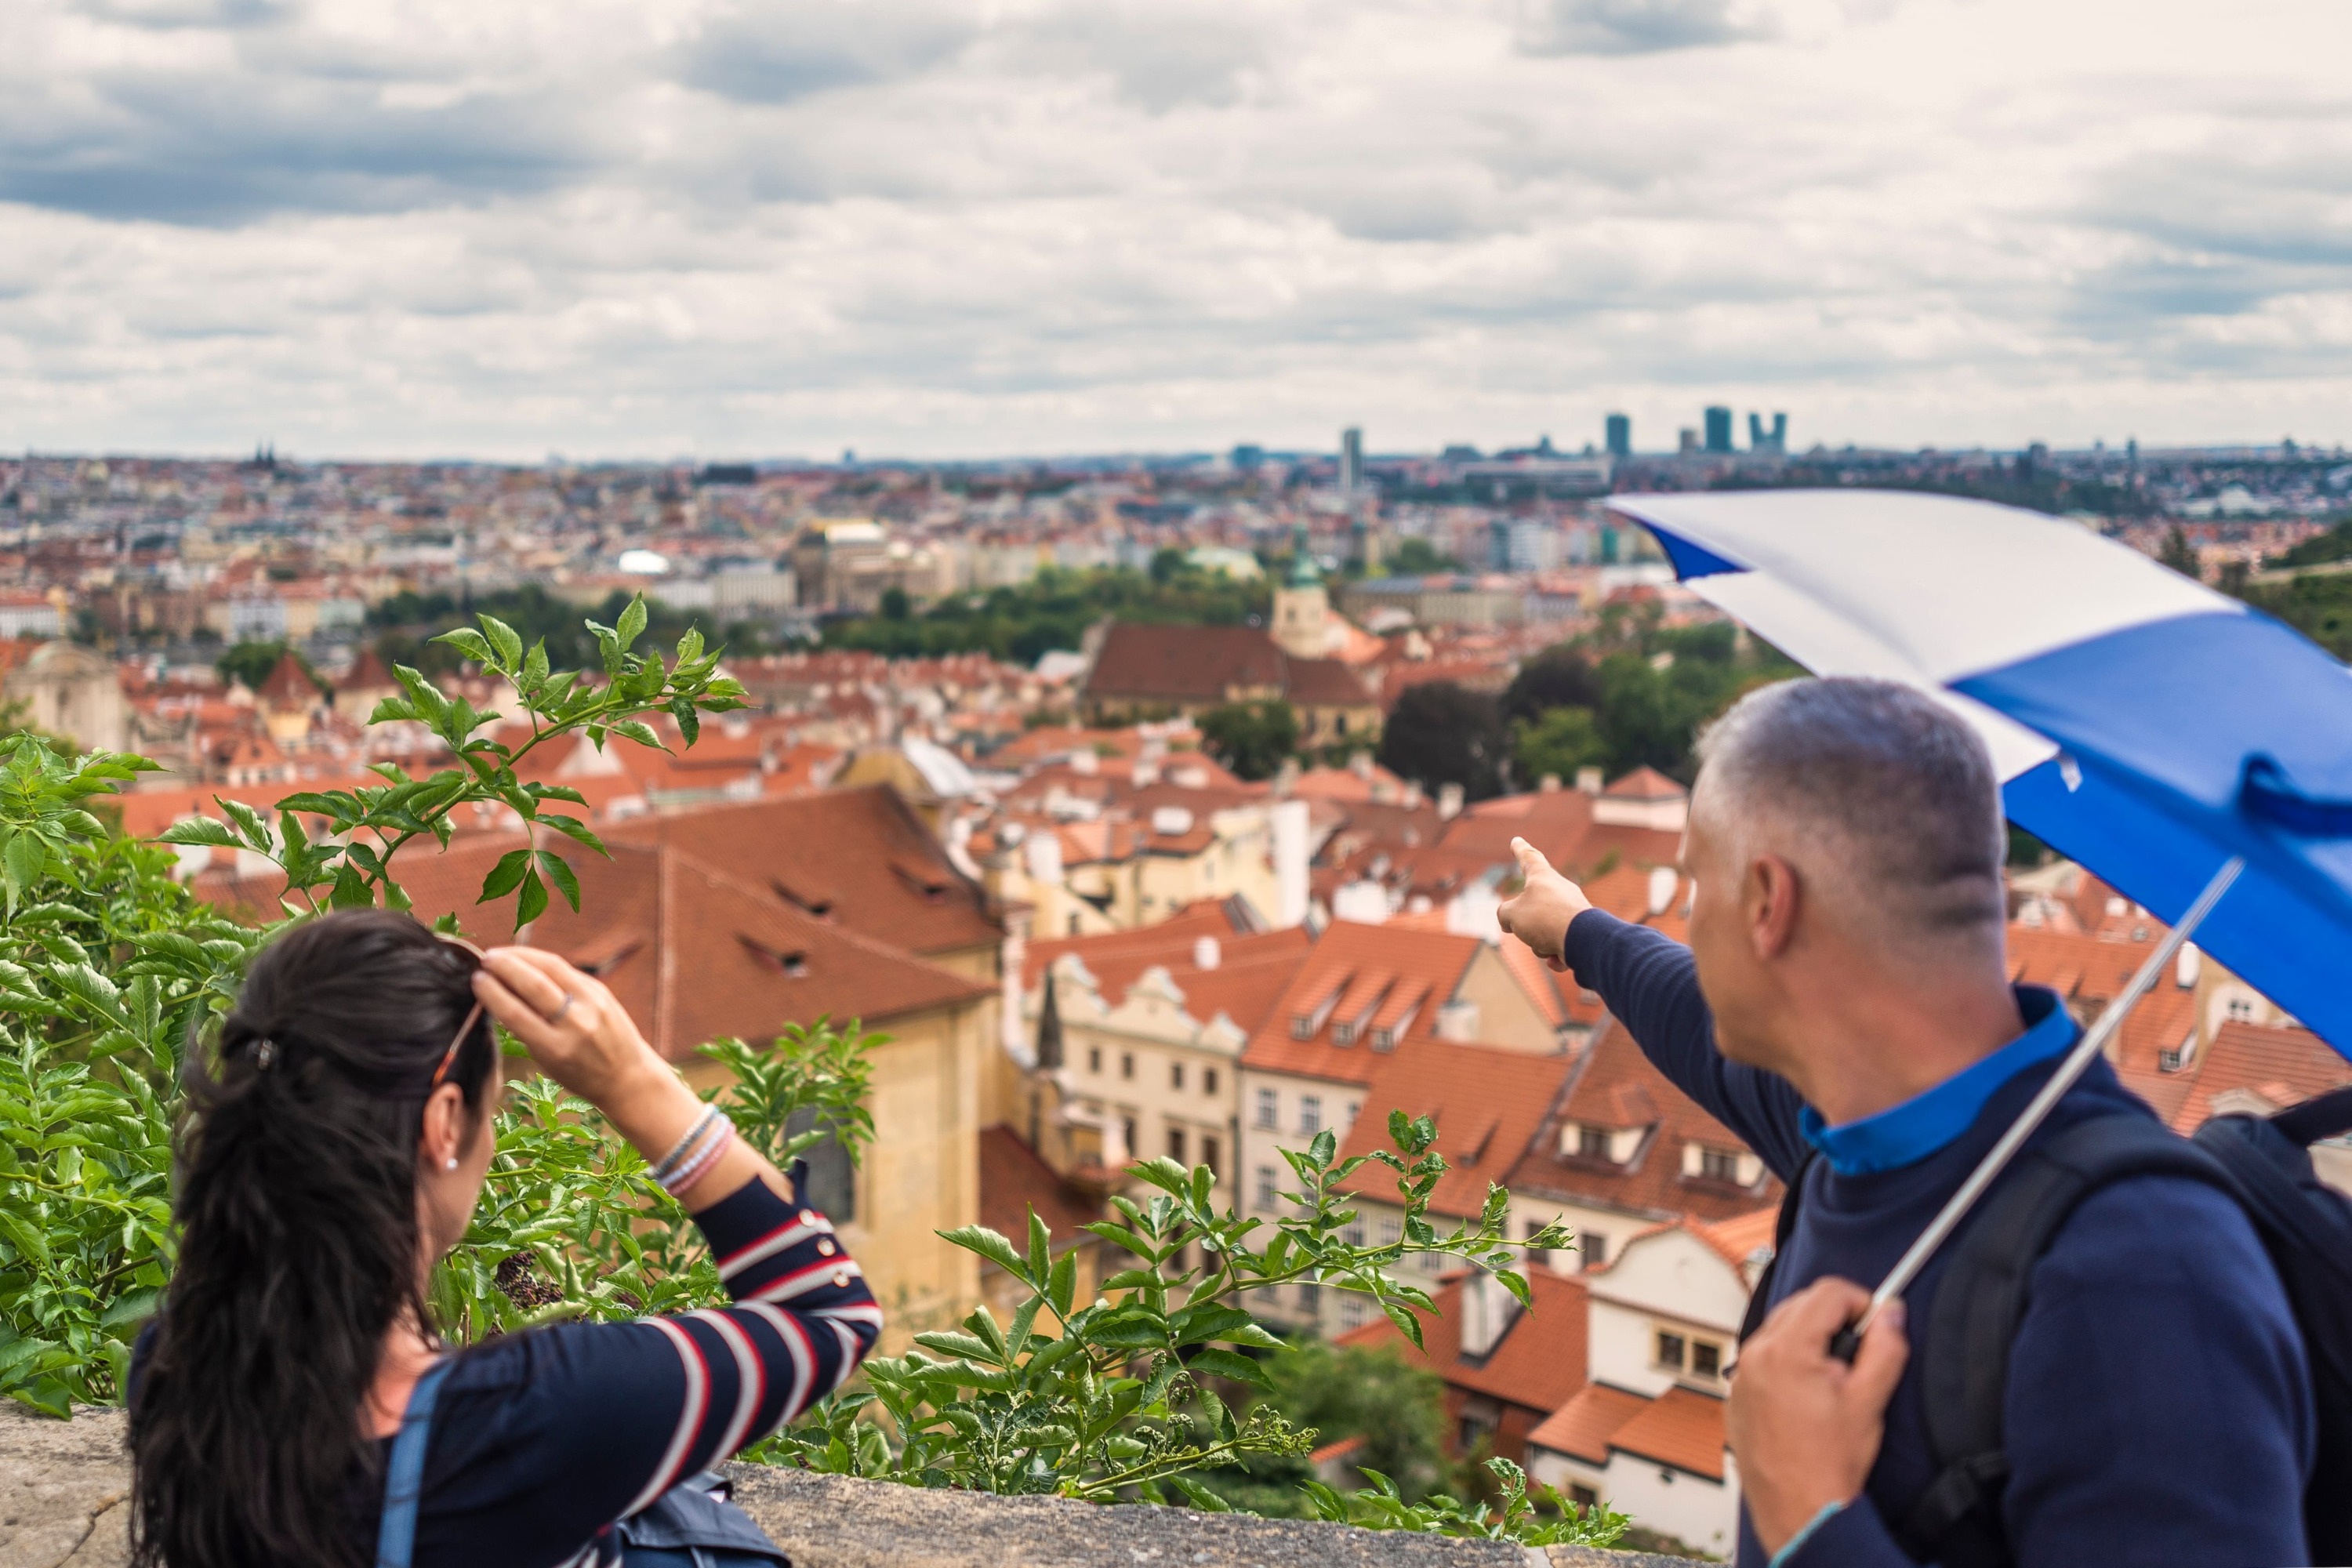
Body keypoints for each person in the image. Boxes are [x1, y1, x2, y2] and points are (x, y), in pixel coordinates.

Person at [1496, 677, 2310, 1568]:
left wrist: (1810, 1519)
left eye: (1696, 880)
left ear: (1768, 901)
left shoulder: (2144, 1268)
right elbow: (1697, 1017)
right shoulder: (1865, 1122)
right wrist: (1576, 928)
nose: (1691, 915)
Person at [128, 909, 880, 1568]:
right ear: (445, 1124)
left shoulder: (172, 1369)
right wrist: (631, 1082)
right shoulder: (527, 1418)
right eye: (492, 1111)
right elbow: (832, 1314)